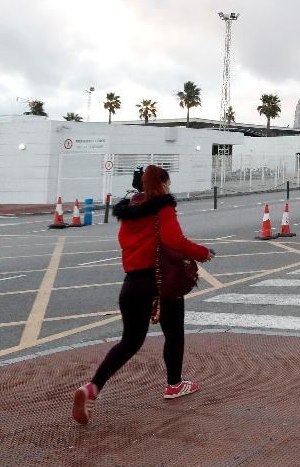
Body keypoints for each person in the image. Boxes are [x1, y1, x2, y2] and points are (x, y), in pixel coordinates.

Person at [72, 165, 215, 425]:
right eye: (168, 183)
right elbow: (175, 240)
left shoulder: (129, 211)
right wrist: (202, 252)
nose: (169, 187)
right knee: (174, 334)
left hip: (133, 284)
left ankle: (93, 387)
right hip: (161, 281)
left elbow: (126, 243)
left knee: (130, 341)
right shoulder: (163, 207)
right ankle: (174, 384)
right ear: (160, 185)